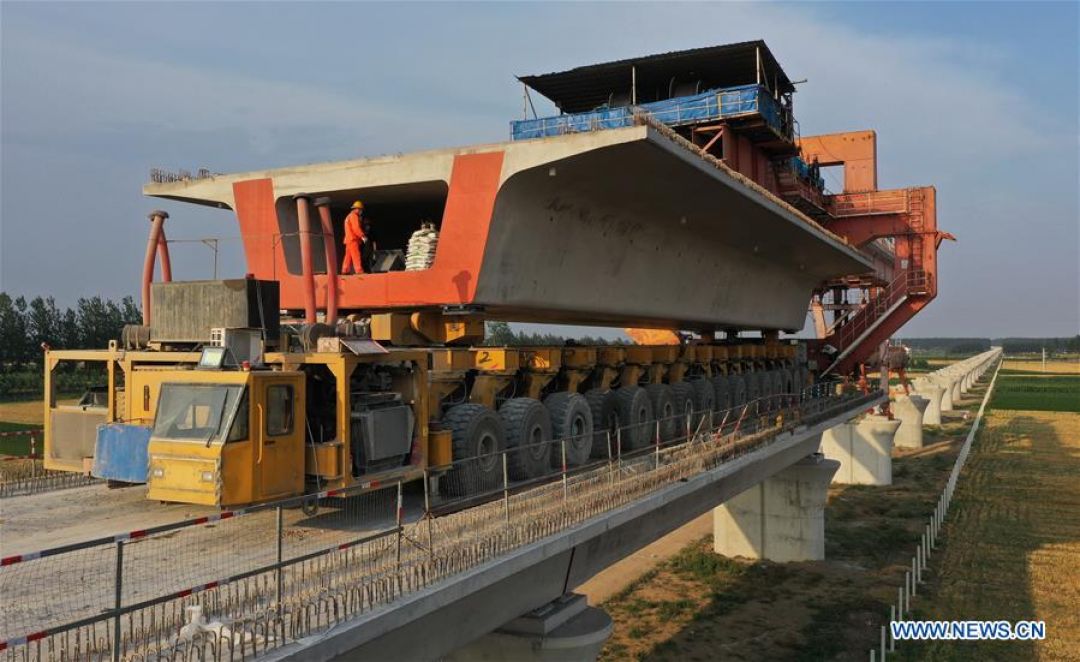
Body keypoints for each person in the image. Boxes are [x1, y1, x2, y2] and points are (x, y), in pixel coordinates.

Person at [341, 200, 366, 275]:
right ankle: (359, 271)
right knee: (356, 255)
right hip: (353, 239)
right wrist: (362, 236)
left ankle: (345, 270)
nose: (361, 211)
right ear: (357, 209)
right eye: (361, 210)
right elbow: (356, 228)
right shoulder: (354, 216)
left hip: (348, 239)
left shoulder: (348, 216)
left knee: (348, 256)